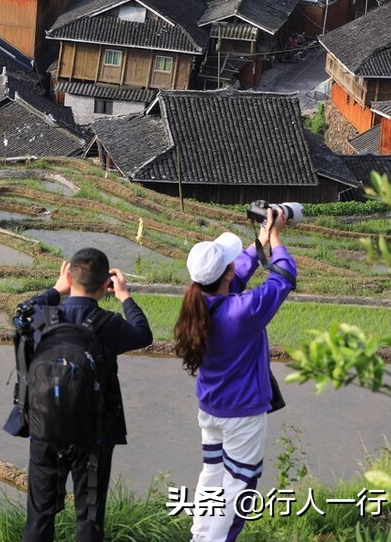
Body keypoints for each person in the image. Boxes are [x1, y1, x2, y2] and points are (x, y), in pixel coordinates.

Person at [174, 209, 296, 542]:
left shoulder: (197, 302)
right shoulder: (241, 312)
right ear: (226, 273)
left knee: (213, 477)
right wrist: (276, 239)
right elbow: (284, 277)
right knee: (239, 488)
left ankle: (200, 536)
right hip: (242, 417)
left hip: (211, 411)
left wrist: (260, 241)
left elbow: (235, 279)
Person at [22, 247, 154, 542]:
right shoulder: (110, 324)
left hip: (44, 428)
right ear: (106, 285)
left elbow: (21, 313)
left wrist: (57, 289)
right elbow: (144, 334)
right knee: (89, 517)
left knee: (40, 514)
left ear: (69, 277)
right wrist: (125, 297)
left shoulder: (44, 318)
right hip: (94, 434)